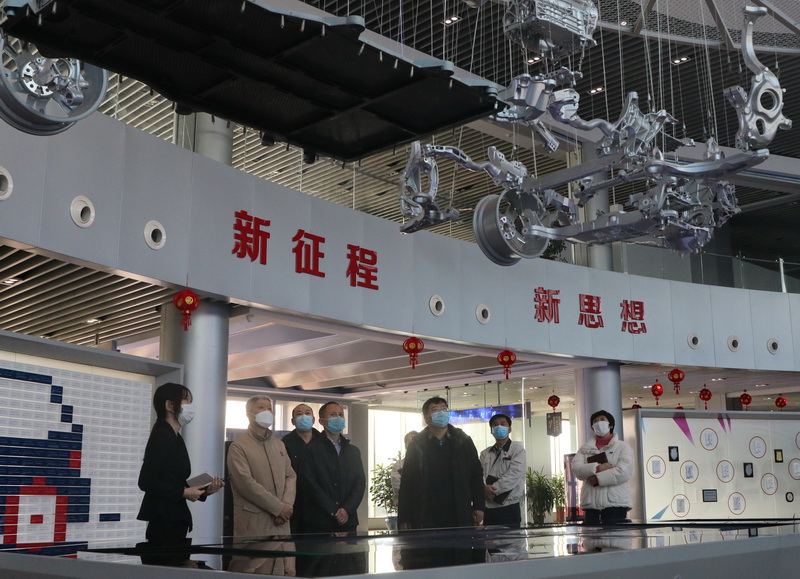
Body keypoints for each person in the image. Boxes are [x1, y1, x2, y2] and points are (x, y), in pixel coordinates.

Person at [137, 383, 224, 566]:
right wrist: (183, 492)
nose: (190, 406)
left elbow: (172, 479)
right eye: (186, 400)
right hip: (164, 521)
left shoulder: (175, 436)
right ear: (170, 405)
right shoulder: (162, 435)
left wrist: (203, 491)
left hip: (174, 519)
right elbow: (146, 481)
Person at [398, 397, 484, 529]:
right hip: (425, 511)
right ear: (426, 417)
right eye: (435, 410)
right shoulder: (416, 445)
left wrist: (478, 506)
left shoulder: (463, 441)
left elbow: (476, 474)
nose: (441, 413)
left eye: (444, 409)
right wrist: (404, 516)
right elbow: (407, 481)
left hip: (458, 508)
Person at [227, 395, 296, 538]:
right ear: (249, 414)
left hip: (282, 521)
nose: (267, 411)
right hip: (255, 522)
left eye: (269, 408)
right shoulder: (239, 446)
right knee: (256, 553)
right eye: (261, 407)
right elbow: (245, 483)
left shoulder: (279, 444)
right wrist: (278, 508)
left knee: (283, 551)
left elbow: (290, 476)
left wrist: (287, 505)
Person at [303, 401, 366, 534]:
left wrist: (346, 510)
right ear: (322, 421)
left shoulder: (353, 451)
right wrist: (334, 511)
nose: (338, 418)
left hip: (348, 521)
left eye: (341, 414)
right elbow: (310, 484)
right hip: (321, 521)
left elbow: (359, 483)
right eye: (333, 414)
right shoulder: (311, 449)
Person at [571, 410, 633, 524]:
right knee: (591, 535)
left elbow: (623, 471)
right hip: (591, 505)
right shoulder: (585, 449)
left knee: (614, 535)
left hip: (615, 504)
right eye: (595, 421)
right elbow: (576, 468)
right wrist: (598, 468)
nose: (599, 423)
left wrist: (597, 479)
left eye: (602, 420)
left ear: (611, 425)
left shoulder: (622, 447)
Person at [280, 403, 322, 534]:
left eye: (307, 413)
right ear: (293, 421)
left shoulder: (323, 442)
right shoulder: (284, 443)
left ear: (313, 419)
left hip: (320, 505)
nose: (304, 416)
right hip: (295, 505)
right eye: (299, 414)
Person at [479, 413, 526, 527]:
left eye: (503, 424)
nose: (499, 427)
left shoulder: (517, 451)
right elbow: (479, 474)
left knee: (510, 538)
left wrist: (492, 490)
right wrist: (483, 488)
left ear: (509, 429)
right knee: (489, 537)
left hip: (509, 506)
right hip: (489, 507)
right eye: (495, 425)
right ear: (491, 430)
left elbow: (514, 474)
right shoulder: (485, 453)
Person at [390, 430, 418, 510]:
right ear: (405, 445)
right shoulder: (398, 466)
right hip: (405, 507)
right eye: (410, 442)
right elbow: (399, 488)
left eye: (415, 442)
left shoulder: (427, 464)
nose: (413, 445)